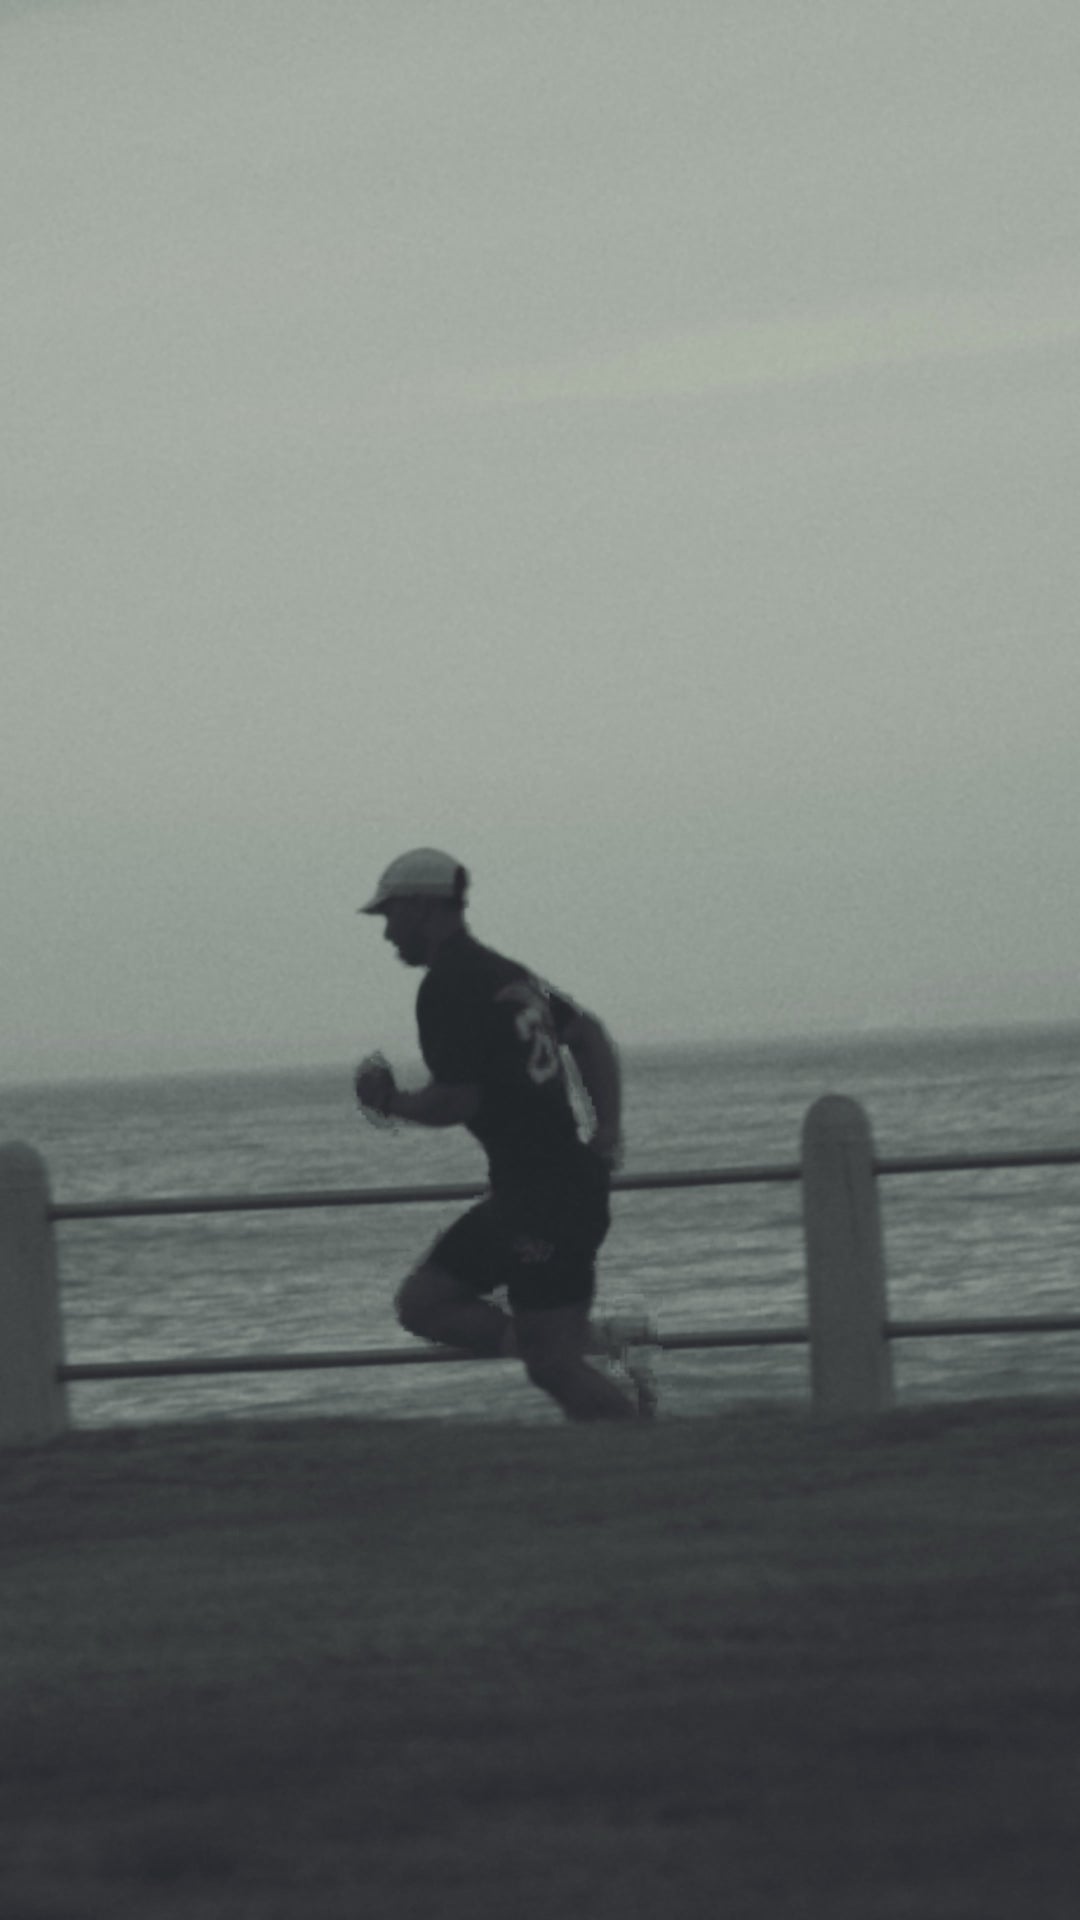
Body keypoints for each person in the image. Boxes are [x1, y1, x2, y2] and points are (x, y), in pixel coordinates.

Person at [354, 847, 656, 1420]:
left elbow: (456, 1100)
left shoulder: (447, 987)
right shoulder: (505, 973)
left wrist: (389, 1102)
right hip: (546, 1189)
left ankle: (637, 1440)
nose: (388, 932)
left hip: (541, 1199)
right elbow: (588, 1036)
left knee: (550, 1365)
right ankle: (592, 1347)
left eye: (390, 915)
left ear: (422, 907)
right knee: (424, 1303)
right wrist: (607, 1131)